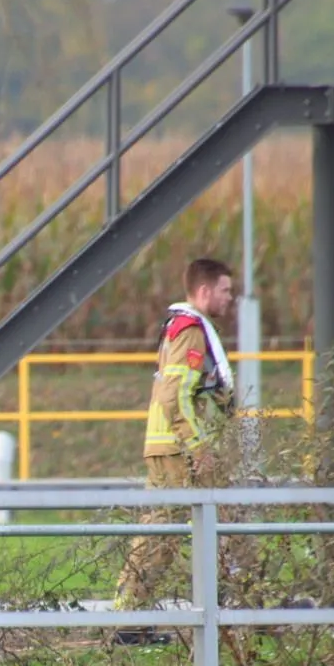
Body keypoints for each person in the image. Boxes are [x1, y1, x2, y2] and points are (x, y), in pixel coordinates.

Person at [113, 258, 237, 628]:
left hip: (168, 447)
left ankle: (129, 618)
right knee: (174, 537)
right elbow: (175, 395)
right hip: (177, 452)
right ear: (204, 291)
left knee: (167, 537)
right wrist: (198, 447)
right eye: (225, 290)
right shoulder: (191, 332)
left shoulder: (181, 328)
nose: (231, 298)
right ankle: (240, 607)